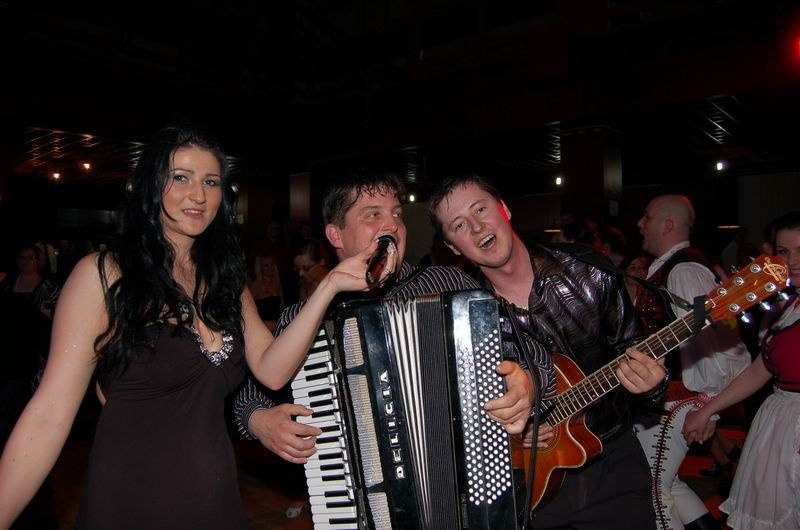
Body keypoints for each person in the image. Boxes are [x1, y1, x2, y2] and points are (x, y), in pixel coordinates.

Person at [0, 125, 387, 530]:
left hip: (215, 499)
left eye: (211, 182)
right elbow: (48, 416)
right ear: (152, 186)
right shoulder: (105, 275)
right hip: (132, 500)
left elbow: (273, 369)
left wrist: (330, 285)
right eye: (181, 177)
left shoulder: (225, 281)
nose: (199, 195)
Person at [234, 169, 552, 469]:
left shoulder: (449, 284)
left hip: (467, 473)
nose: (393, 225)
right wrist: (258, 421)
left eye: (397, 214)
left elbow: (535, 356)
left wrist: (527, 382)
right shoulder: (304, 318)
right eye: (373, 214)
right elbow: (248, 393)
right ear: (335, 235)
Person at [429, 173, 667, 530]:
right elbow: (453, 417)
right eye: (459, 225)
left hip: (611, 469)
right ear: (453, 248)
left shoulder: (590, 272)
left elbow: (636, 356)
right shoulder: (460, 318)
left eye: (481, 209)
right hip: (526, 485)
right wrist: (510, 438)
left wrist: (651, 386)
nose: (477, 228)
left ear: (504, 209)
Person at [634, 194, 751, 530]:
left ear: (668, 224)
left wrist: (709, 406)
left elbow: (717, 339)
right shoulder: (674, 267)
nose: (640, 224)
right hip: (668, 397)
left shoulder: (684, 270)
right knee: (666, 483)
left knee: (651, 491)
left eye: (647, 216)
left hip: (679, 399)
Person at [683, 210, 800, 530]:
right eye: (784, 251)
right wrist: (707, 410)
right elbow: (761, 369)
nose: (792, 261)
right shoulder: (786, 305)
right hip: (778, 424)